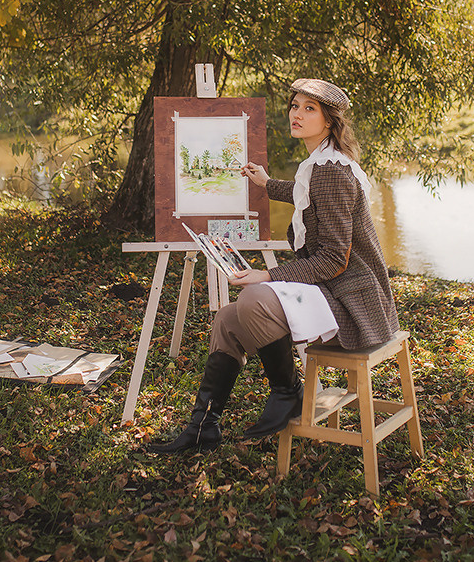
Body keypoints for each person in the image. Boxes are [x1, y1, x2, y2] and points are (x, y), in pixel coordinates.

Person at [148, 78, 399, 455]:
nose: (296, 114)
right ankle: (203, 427)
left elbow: (333, 258)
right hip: (332, 291)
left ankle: (288, 392)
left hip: (354, 303)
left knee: (255, 298)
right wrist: (267, 184)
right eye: (294, 106)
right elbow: (307, 196)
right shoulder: (321, 163)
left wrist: (268, 275)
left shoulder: (331, 171)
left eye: (308, 109)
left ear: (329, 120)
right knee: (227, 321)